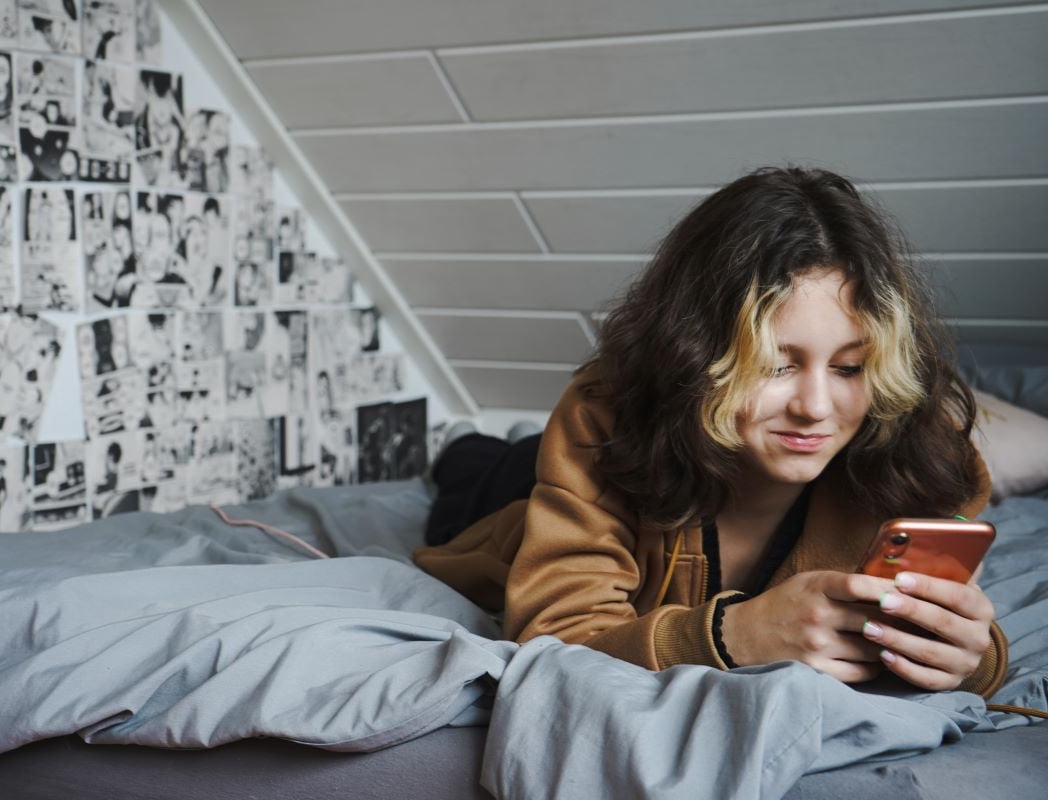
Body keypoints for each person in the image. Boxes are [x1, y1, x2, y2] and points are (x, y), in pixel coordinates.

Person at [415, 166, 1007, 698]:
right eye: (775, 365)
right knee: (479, 472)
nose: (816, 408)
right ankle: (462, 445)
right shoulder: (605, 415)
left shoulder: (924, 452)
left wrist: (968, 660)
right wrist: (732, 635)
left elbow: (965, 644)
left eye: (850, 367)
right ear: (697, 356)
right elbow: (557, 635)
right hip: (559, 478)